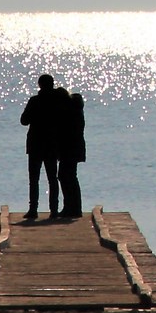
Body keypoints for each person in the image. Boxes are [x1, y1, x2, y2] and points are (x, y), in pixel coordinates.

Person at [18, 75, 66, 222]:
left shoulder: (34, 101)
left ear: (40, 85)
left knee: (34, 179)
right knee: (52, 178)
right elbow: (63, 121)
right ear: (52, 84)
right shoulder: (57, 101)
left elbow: (24, 121)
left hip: (35, 144)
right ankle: (54, 210)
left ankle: (33, 209)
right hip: (51, 143)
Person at [55, 82, 87, 219]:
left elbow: (66, 131)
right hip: (74, 147)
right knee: (68, 177)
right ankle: (72, 207)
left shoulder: (69, 111)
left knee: (66, 176)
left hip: (70, 148)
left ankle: (72, 208)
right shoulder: (75, 108)